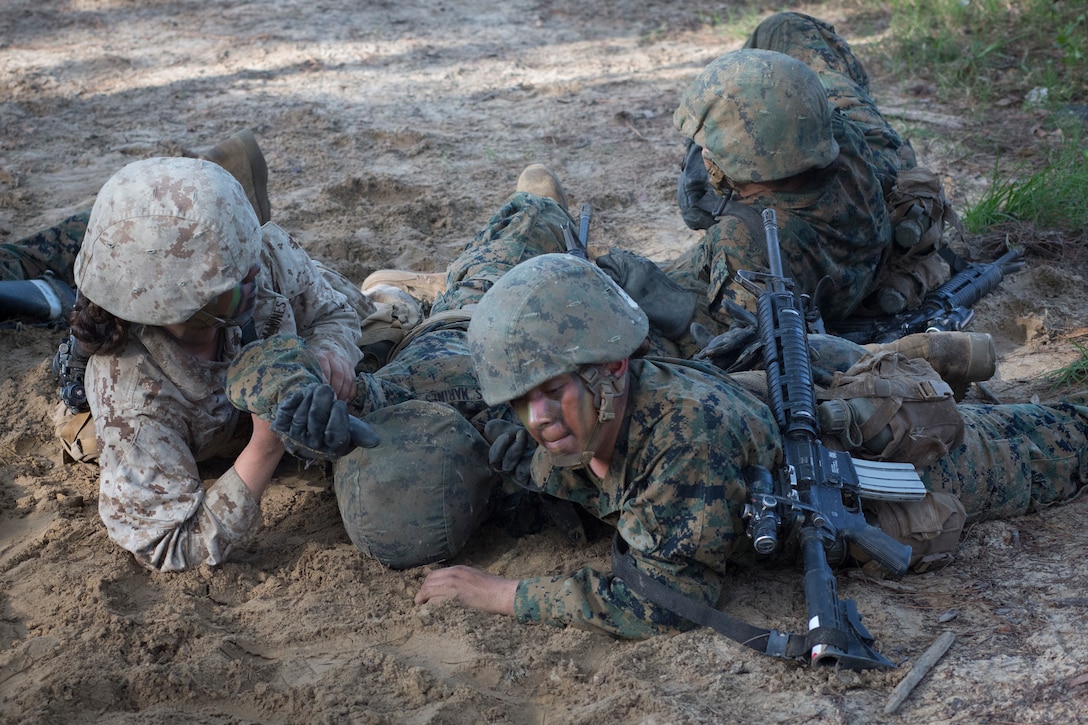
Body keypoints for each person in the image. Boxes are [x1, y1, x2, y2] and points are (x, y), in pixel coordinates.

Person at [412, 251, 1088, 639]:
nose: (537, 417)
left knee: (1055, 443)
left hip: (899, 468)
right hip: (806, 426)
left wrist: (502, 593)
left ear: (611, 368)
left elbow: (662, 601)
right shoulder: (606, 404)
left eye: (552, 390)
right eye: (520, 399)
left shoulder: (682, 441)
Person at [589, 12, 961, 364]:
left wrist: (663, 300)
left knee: (618, 300)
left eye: (712, 146)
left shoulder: (744, 239)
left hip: (800, 282)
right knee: (785, 28)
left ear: (750, 167)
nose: (703, 153)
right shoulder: (841, 140)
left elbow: (739, 346)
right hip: (863, 249)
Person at [71, 153, 377, 572]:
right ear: (178, 303)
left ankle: (390, 289)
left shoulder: (256, 255)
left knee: (389, 325)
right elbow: (172, 544)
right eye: (235, 277)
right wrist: (267, 444)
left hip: (341, 303)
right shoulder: (132, 396)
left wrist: (329, 356)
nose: (253, 268)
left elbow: (333, 313)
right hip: (191, 441)